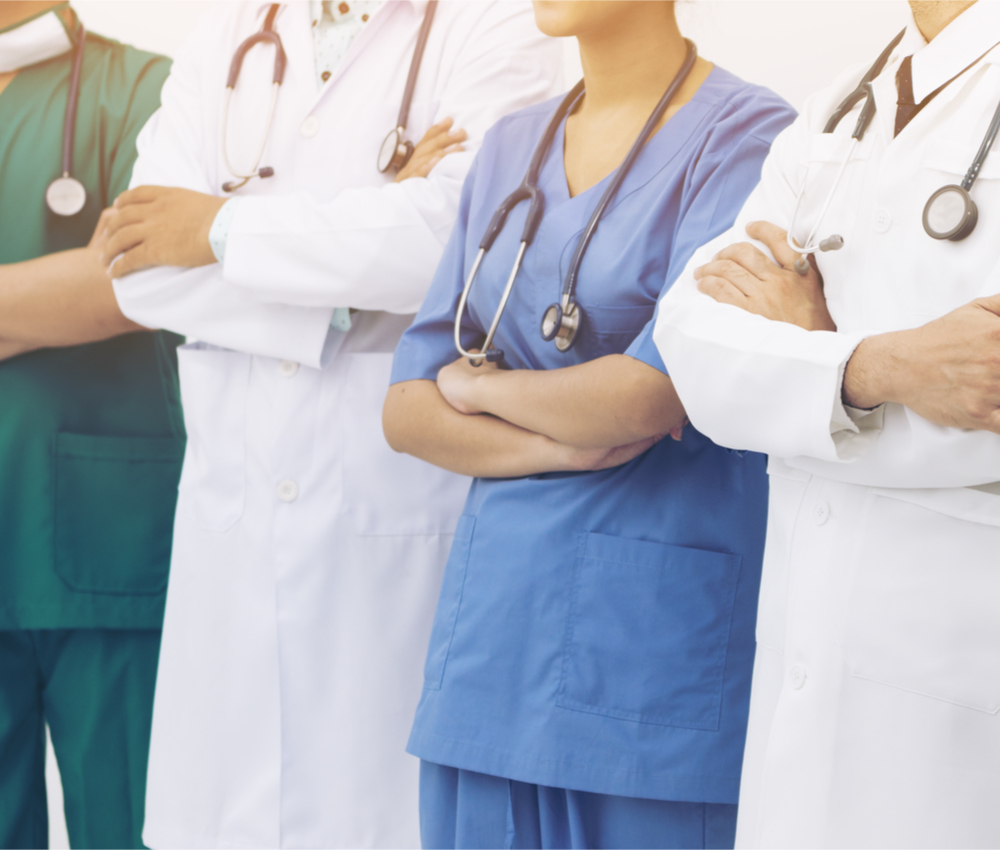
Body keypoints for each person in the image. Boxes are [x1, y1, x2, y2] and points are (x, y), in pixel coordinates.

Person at [100, 2, 562, 846]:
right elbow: (137, 269)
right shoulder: (229, 32)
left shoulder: (496, 27)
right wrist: (356, 266)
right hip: (231, 542)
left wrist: (221, 227)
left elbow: (458, 242)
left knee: (382, 813)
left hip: (389, 536)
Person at [382, 2, 795, 847]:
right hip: (491, 647)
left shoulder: (750, 139)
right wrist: (563, 433)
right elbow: (405, 409)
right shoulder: (509, 147)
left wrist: (479, 389)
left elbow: (653, 393)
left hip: (646, 655)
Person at [654, 1, 1000, 846]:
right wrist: (874, 368)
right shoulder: (843, 103)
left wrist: (807, 379)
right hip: (801, 672)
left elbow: (986, 383)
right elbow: (690, 341)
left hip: (958, 698)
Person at [0, 2, 179, 847]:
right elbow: (90, 281)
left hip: (102, 545)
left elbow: (142, 281)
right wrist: (55, 289)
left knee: (132, 828)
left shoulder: (144, 91)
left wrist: (103, 285)